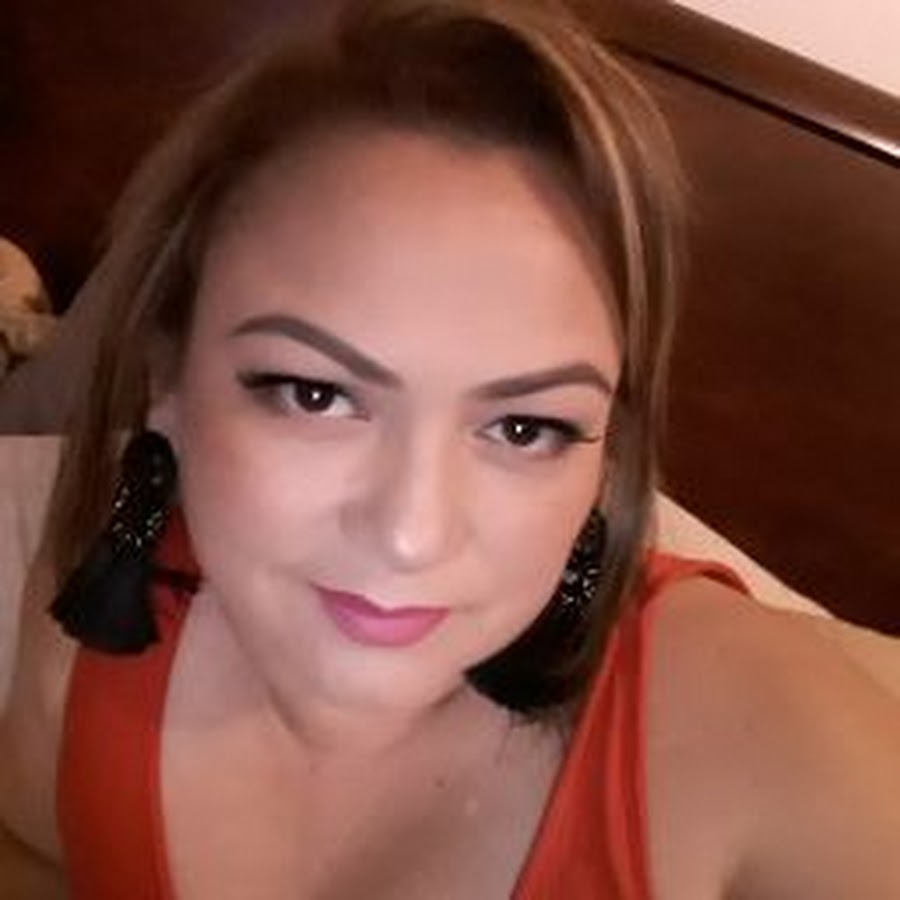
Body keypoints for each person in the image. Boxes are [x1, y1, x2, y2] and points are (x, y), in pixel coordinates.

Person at [1, 0, 898, 896]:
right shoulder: (89, 592)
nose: (411, 534)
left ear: (607, 454)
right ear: (168, 373)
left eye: (525, 428)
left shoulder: (774, 736)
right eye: (317, 394)